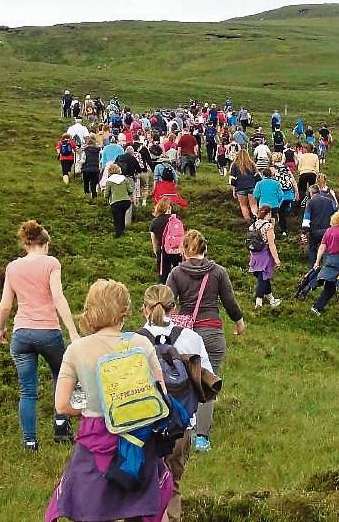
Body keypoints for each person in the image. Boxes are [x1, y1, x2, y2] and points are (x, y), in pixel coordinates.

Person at [49, 279, 170, 522]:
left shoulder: (76, 350)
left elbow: (61, 405)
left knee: (92, 509)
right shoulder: (141, 343)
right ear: (125, 311)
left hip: (94, 438)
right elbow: (162, 395)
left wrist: (86, 409)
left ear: (90, 309)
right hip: (138, 437)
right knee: (143, 508)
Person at [0, 220, 80, 450]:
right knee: (61, 377)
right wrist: (72, 331)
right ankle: (61, 427)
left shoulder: (12, 267)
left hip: (21, 334)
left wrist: (1, 328)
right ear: (46, 244)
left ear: (26, 244)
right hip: (49, 332)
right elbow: (58, 298)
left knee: (27, 390)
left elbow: (5, 305)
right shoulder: (51, 263)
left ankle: (30, 441)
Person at [139, 284, 213, 522]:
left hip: (143, 427)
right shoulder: (192, 338)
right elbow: (208, 383)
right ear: (174, 309)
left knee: (141, 489)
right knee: (172, 485)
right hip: (180, 427)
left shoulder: (132, 341)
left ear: (144, 309)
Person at [166, 230, 245, 452]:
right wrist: (239, 322)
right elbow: (229, 302)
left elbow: (167, 303)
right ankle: (202, 439)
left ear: (183, 250)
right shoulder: (218, 272)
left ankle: (183, 430)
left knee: (183, 382)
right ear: (205, 249)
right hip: (212, 333)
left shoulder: (176, 273)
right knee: (207, 382)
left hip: (185, 336)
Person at [311, 210, 339, 317]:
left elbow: (322, 247)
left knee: (330, 287)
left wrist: (317, 261)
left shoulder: (328, 231)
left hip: (328, 260)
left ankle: (317, 307)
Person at [248, 206, 282, 308]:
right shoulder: (268, 226)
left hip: (255, 255)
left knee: (263, 277)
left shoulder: (253, 226)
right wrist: (276, 259)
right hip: (265, 255)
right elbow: (271, 245)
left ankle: (271, 299)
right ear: (268, 214)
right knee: (263, 278)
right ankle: (258, 302)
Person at [150, 197, 184, 283]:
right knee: (180, 274)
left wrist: (157, 252)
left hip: (163, 252)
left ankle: (164, 289)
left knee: (163, 276)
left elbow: (154, 241)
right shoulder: (176, 219)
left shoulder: (155, 222)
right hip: (176, 251)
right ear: (169, 208)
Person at [303, 185, 337, 266]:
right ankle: (326, 268)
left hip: (315, 231)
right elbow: (336, 213)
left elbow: (306, 217)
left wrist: (304, 231)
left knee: (312, 249)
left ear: (310, 193)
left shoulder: (310, 202)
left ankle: (313, 268)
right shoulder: (329, 201)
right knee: (327, 249)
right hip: (327, 231)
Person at [103, 164, 135, 238]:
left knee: (117, 218)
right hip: (126, 201)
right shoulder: (124, 178)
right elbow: (130, 190)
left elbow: (106, 194)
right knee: (122, 216)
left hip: (115, 202)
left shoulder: (109, 181)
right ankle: (122, 231)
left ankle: (118, 233)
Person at [229, 149, 260, 222]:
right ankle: (257, 221)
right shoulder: (251, 164)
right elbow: (258, 178)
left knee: (243, 206)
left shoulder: (234, 165)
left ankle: (248, 222)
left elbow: (232, 181)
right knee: (254, 205)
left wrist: (234, 191)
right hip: (252, 187)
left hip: (240, 188)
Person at [272, 152, 298, 236]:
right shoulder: (286, 168)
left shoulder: (273, 169)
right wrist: (296, 193)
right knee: (285, 210)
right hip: (289, 194)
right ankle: (291, 224)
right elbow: (293, 181)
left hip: (280, 196)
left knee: (280, 213)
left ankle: (283, 230)